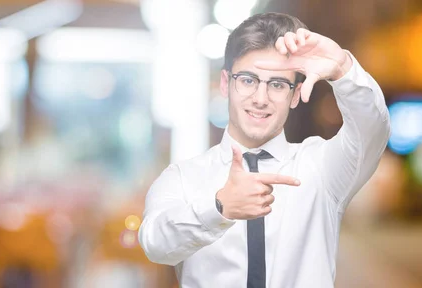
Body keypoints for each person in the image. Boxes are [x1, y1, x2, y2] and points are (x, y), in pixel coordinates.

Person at [138, 12, 391, 288]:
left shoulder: (320, 167)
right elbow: (154, 244)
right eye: (247, 80)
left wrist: (343, 69)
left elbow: (373, 130)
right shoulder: (183, 177)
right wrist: (218, 207)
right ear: (226, 84)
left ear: (295, 95)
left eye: (277, 84)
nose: (260, 99)